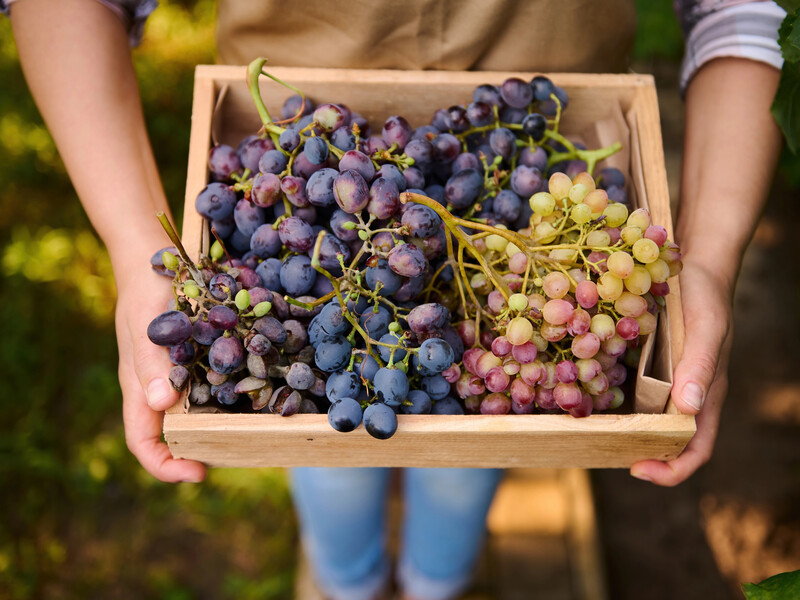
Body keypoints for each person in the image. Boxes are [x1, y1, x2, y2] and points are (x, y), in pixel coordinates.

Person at [5, 1, 786, 598]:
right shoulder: (327, 221)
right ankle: (350, 579)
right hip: (301, 116)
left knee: (472, 446)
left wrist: (708, 262)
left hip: (513, 171)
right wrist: (132, 247)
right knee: (327, 441)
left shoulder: (465, 272)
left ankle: (433, 580)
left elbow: (738, 12)